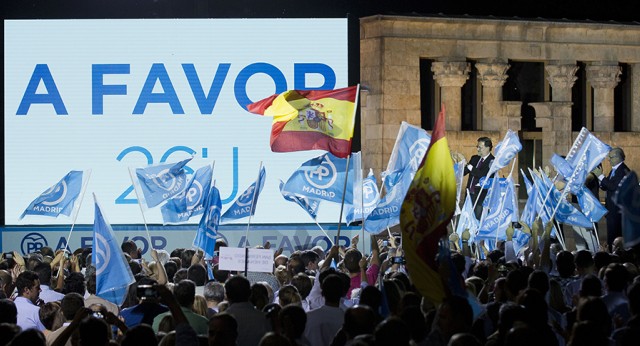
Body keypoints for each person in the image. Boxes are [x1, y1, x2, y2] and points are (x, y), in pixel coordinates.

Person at [593, 147, 630, 250]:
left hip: (618, 212)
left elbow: (613, 187)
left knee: (615, 237)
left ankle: (616, 258)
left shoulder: (623, 171)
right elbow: (607, 186)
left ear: (618, 157)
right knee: (611, 237)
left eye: (611, 157)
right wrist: (601, 179)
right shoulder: (614, 170)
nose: (609, 159)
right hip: (612, 210)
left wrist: (600, 176)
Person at [463, 137, 495, 219]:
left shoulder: (493, 161)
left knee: (477, 219)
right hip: (469, 194)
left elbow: (484, 176)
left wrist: (470, 167)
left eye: (480, 147)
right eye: (477, 146)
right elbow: (464, 171)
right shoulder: (474, 158)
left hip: (481, 196)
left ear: (488, 148)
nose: (477, 149)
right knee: (466, 218)